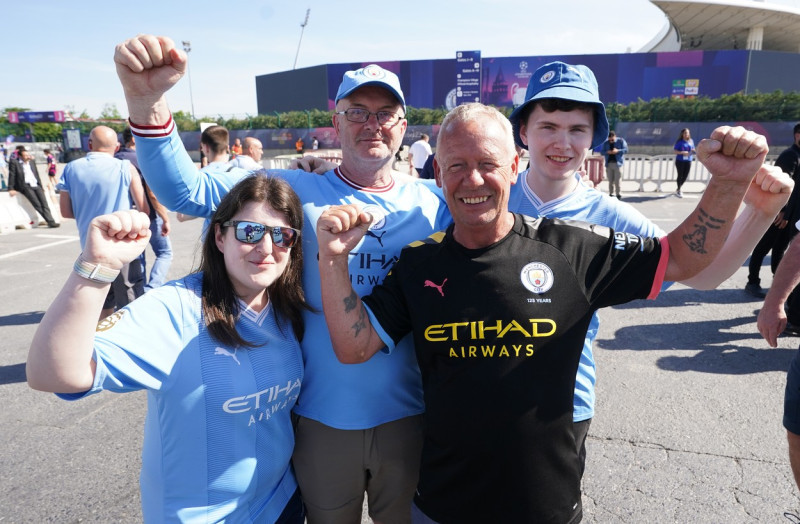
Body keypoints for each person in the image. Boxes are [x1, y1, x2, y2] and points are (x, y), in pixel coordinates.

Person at [315, 102, 778, 523]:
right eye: (456, 166)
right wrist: (333, 259)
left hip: (545, 506)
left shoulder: (571, 249)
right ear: (438, 174)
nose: (472, 180)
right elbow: (355, 347)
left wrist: (729, 183)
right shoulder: (418, 264)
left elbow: (682, 258)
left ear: (515, 166)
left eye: (487, 165)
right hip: (441, 506)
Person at [114, 34, 452, 523]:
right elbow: (185, 192)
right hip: (319, 421)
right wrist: (147, 103)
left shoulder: (435, 206)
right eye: (357, 112)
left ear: (403, 126)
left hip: (408, 418)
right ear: (336, 122)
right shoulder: (292, 190)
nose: (371, 125)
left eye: (384, 114)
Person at [504, 60, 793, 479]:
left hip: (562, 406)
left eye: (577, 129)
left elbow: (700, 275)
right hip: (477, 392)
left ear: (594, 138)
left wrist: (759, 213)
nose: (562, 142)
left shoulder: (613, 216)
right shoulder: (488, 195)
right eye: (548, 126)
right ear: (523, 132)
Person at [27, 174, 309, 524]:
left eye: (282, 236)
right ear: (219, 236)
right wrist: (95, 269)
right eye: (250, 231)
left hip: (281, 503)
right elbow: (52, 373)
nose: (267, 248)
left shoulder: (287, 307)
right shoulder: (176, 309)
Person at [58, 126, 149, 318]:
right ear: (116, 147)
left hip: (90, 248)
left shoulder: (71, 168)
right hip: (123, 246)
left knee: (101, 304)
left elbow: (65, 212)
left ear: (89, 144)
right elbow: (144, 209)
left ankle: (100, 345)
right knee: (130, 301)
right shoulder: (125, 167)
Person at [745, 122, 800, 300]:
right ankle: (752, 282)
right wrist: (782, 211)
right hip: (778, 212)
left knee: (780, 250)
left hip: (789, 214)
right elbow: (780, 186)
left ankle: (779, 286)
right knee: (763, 247)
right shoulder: (790, 156)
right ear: (797, 135)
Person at [116, 127, 173, 291]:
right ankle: (152, 288)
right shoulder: (142, 160)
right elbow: (152, 193)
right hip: (149, 216)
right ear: (134, 140)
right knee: (164, 253)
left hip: (125, 218)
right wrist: (166, 218)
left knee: (138, 258)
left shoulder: (116, 160)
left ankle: (140, 291)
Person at [8, 146, 60, 228]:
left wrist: (41, 186)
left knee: (44, 203)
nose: (27, 156)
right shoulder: (15, 163)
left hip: (35, 184)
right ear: (20, 156)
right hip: (25, 186)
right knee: (37, 204)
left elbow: (36, 174)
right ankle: (50, 221)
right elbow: (12, 175)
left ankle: (50, 220)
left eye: (28, 155)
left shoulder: (31, 162)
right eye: (25, 155)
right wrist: (11, 188)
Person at [600, 130, 627, 198]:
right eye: (610, 138)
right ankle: (611, 193)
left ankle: (618, 194)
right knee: (610, 180)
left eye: (612, 138)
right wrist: (607, 152)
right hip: (609, 164)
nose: (611, 140)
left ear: (615, 136)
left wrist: (618, 151)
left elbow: (626, 150)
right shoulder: (606, 143)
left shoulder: (620, 141)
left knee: (617, 180)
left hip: (618, 164)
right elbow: (602, 152)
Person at [674, 127, 696, 197]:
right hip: (680, 161)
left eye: (688, 133)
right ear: (682, 134)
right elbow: (675, 151)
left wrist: (693, 151)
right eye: (685, 133)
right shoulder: (679, 142)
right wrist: (681, 152)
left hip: (688, 160)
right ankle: (679, 190)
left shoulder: (691, 141)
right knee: (680, 175)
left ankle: (678, 188)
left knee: (685, 176)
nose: (687, 134)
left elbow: (693, 149)